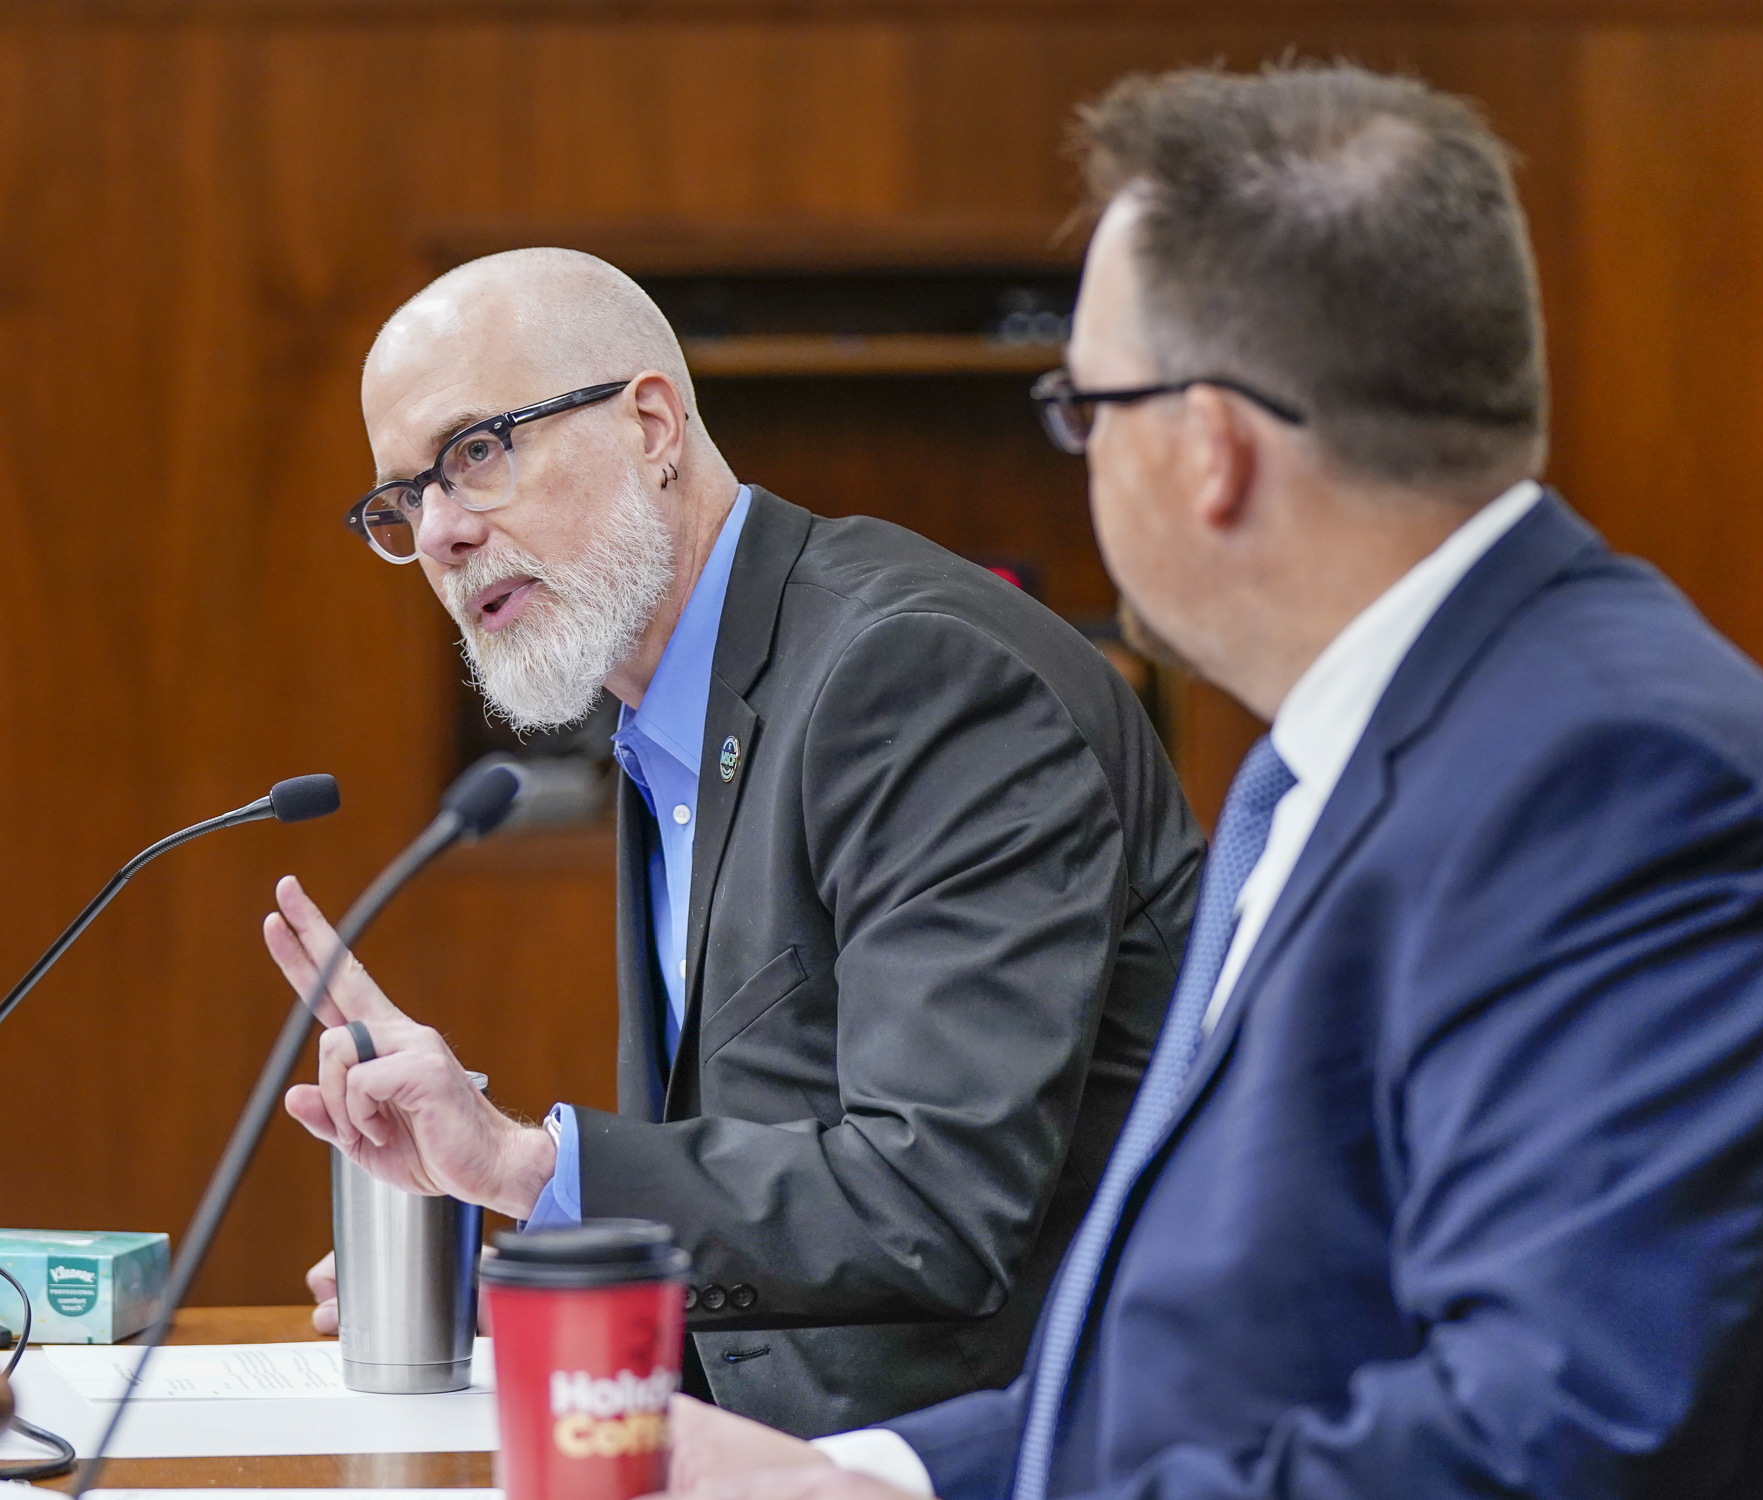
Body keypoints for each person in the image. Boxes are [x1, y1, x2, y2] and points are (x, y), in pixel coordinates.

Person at [652, 61, 1763, 1500]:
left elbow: (1535, 1449)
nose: (1084, 456)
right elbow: (1239, 1350)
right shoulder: (1349, 754)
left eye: (1082, 407)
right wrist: (870, 1477)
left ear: (1210, 448)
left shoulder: (1627, 787)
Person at [269, 248, 1203, 1435]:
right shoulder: (668, 714)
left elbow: (936, 1202)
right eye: (402, 503)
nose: (442, 534)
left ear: (652, 422)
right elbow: (780, 1185)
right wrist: (538, 1290)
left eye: (475, 454)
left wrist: (520, 1167)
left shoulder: (913, 676)